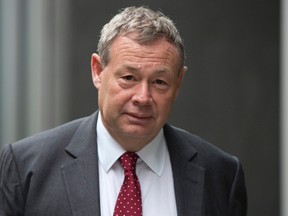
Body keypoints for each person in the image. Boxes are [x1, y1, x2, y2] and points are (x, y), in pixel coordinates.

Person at [0, 6, 247, 216]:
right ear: (98, 71)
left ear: (178, 83)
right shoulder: (27, 168)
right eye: (129, 77)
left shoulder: (221, 174)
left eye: (159, 82)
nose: (143, 97)